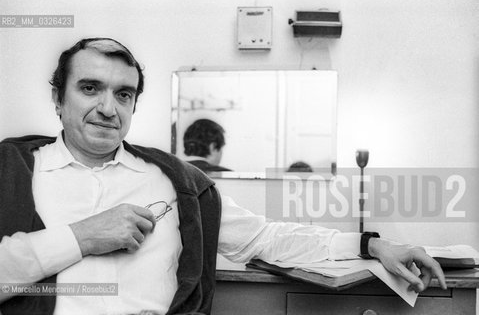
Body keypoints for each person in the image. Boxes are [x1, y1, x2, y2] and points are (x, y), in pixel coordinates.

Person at [0, 38, 446, 315]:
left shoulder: (178, 182)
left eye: (124, 93)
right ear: (58, 98)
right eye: (90, 87)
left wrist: (373, 245)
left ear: (134, 105)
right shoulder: (11, 172)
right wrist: (81, 236)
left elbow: (266, 239)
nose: (107, 107)